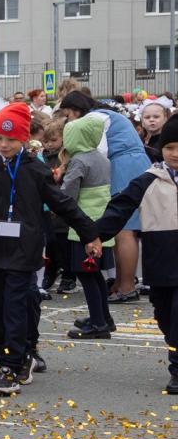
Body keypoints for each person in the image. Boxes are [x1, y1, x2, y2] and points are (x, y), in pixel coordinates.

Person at [0, 103, 100, 396]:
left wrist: (89, 232)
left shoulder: (35, 169)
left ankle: (12, 364)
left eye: (11, 140)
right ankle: (3, 354)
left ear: (24, 139)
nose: (4, 145)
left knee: (16, 305)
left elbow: (62, 203)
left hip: (23, 251)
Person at [93, 122, 178, 394]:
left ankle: (177, 370)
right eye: (169, 147)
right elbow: (120, 208)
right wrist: (95, 235)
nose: (175, 153)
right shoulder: (148, 179)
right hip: (161, 259)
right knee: (164, 313)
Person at [57, 91, 151, 305]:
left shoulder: (94, 118)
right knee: (123, 227)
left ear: (75, 110)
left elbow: (95, 152)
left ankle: (126, 287)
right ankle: (120, 283)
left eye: (68, 115)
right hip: (135, 162)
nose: (68, 121)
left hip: (124, 165)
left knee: (124, 229)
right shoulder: (106, 114)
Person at [59, 113, 116, 339]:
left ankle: (98, 324)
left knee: (86, 275)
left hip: (83, 228)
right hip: (101, 226)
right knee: (96, 275)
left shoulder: (79, 161)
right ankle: (103, 317)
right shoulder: (102, 158)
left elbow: (68, 194)